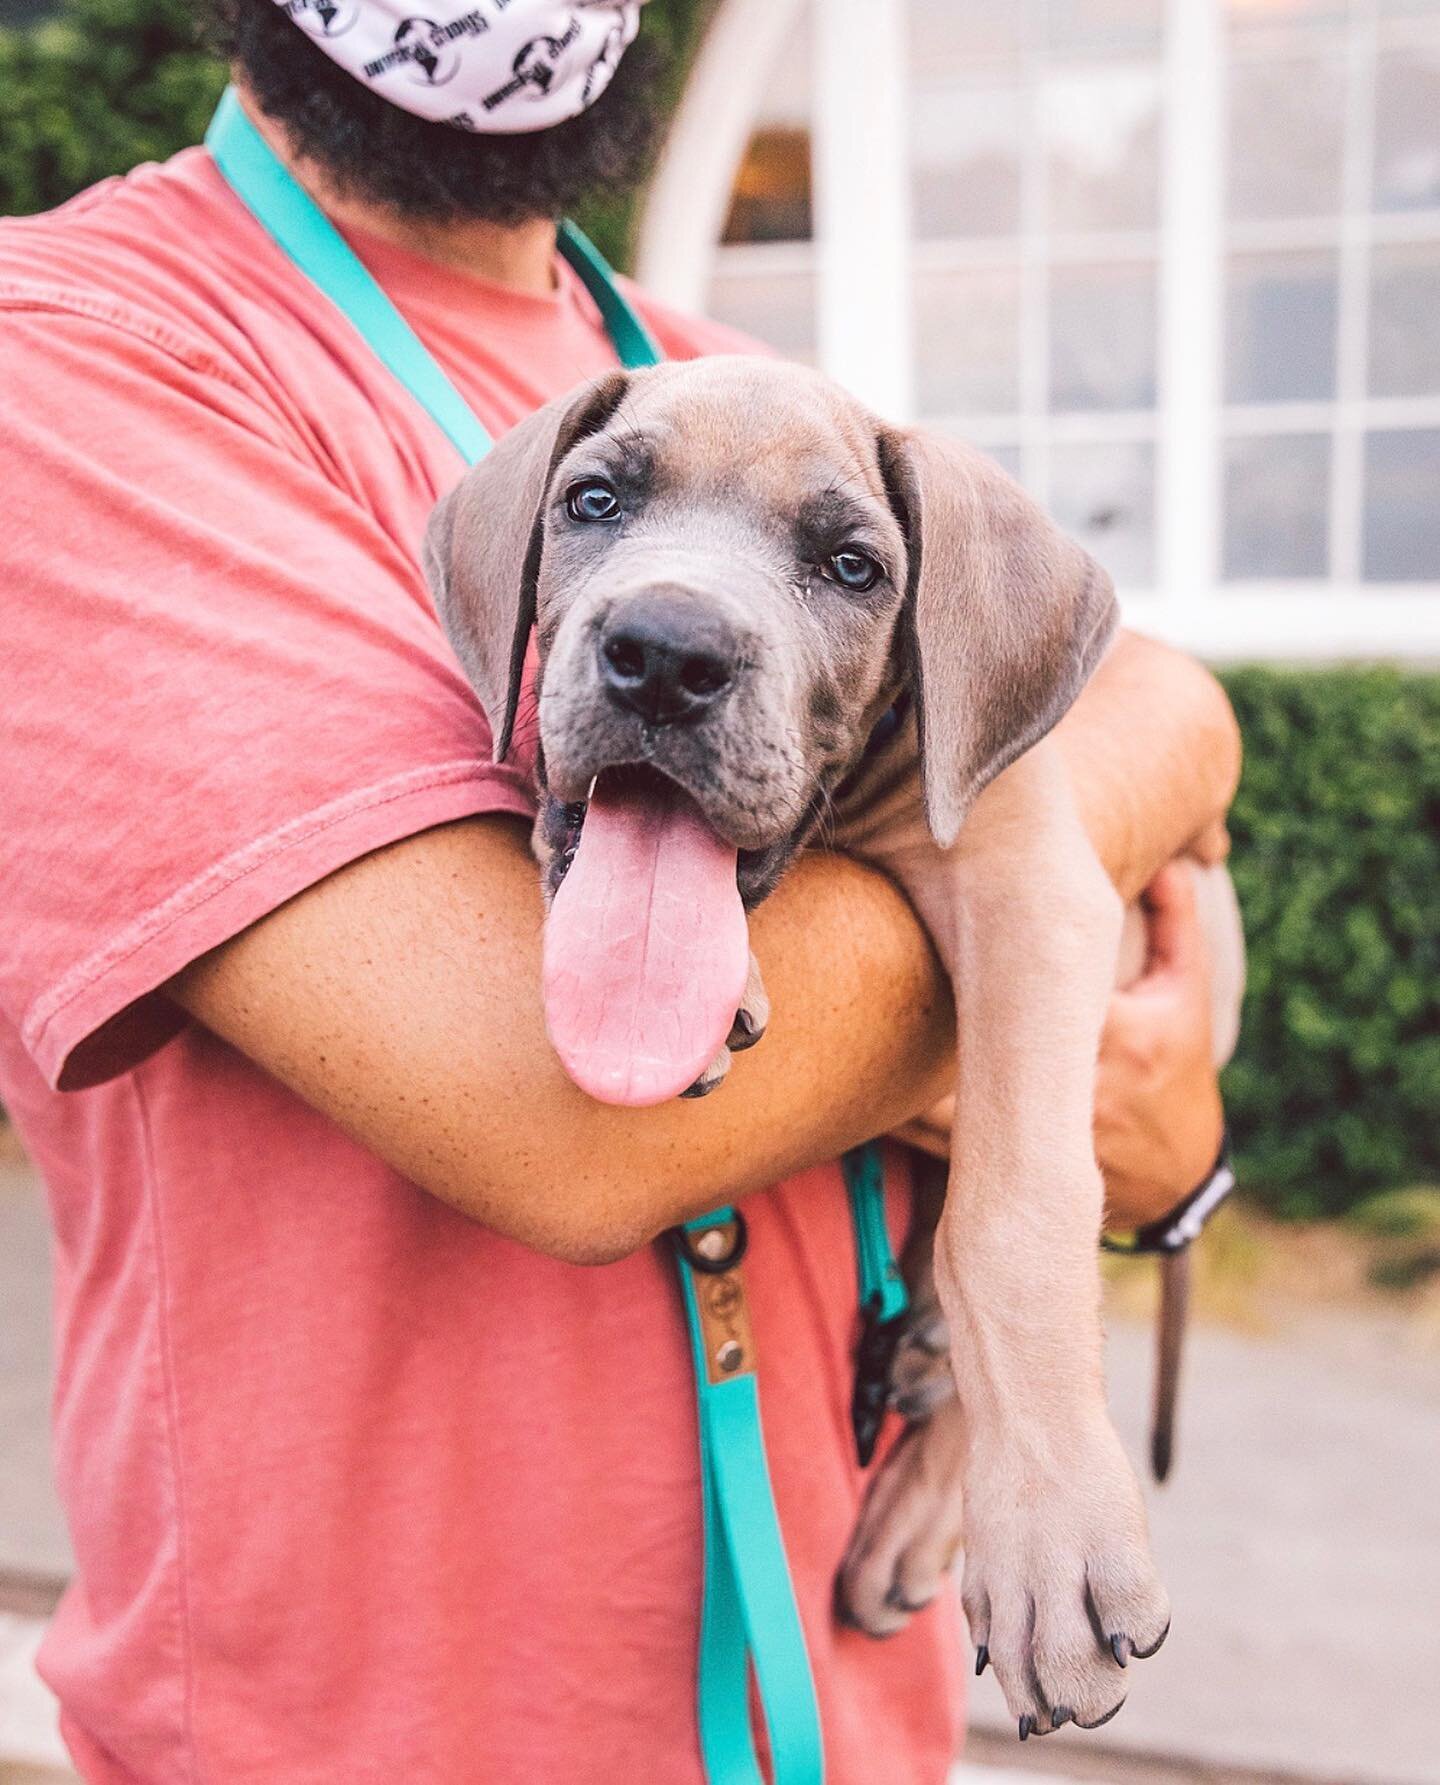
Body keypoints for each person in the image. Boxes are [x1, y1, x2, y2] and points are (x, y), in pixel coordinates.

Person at [0, 3, 1240, 1779]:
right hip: (360, 1733)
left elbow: (1174, 713)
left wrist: (1098, 1195)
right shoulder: (83, 355)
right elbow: (574, 1117)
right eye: (601, 511)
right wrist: (1027, 946)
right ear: (504, 553)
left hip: (845, 1710)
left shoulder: (708, 370)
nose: (676, 617)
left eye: (831, 563)